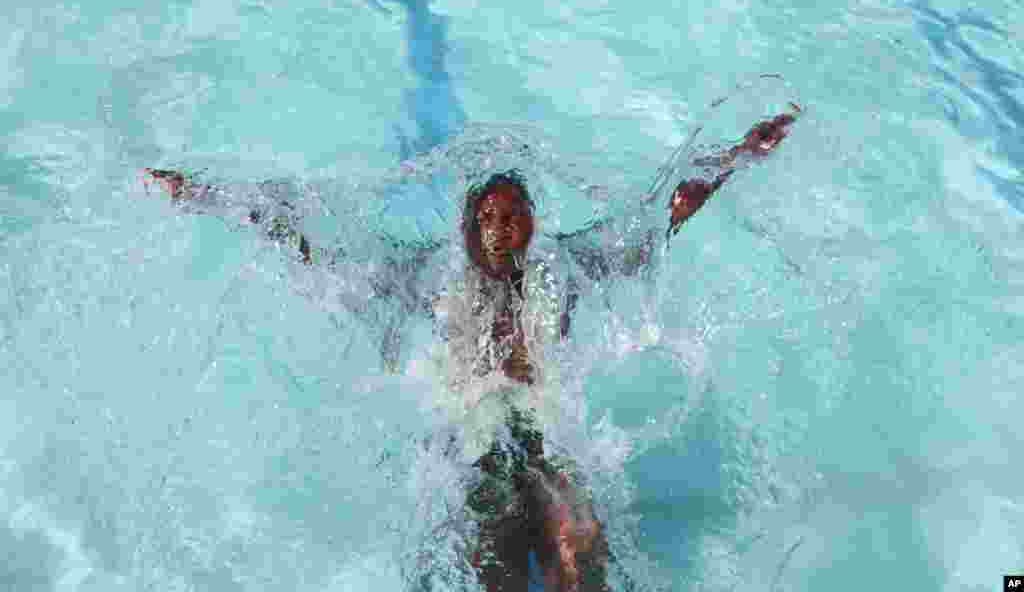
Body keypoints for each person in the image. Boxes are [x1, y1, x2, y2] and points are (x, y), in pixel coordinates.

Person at [141, 102, 800, 591]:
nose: (498, 228)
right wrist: (207, 197)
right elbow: (313, 248)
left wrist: (739, 153)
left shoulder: (567, 267)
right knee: (497, 564)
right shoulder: (425, 277)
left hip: (544, 427)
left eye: (512, 216)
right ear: (464, 228)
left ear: (534, 224)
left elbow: (668, 211)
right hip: (471, 435)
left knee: (580, 547)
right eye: (485, 218)